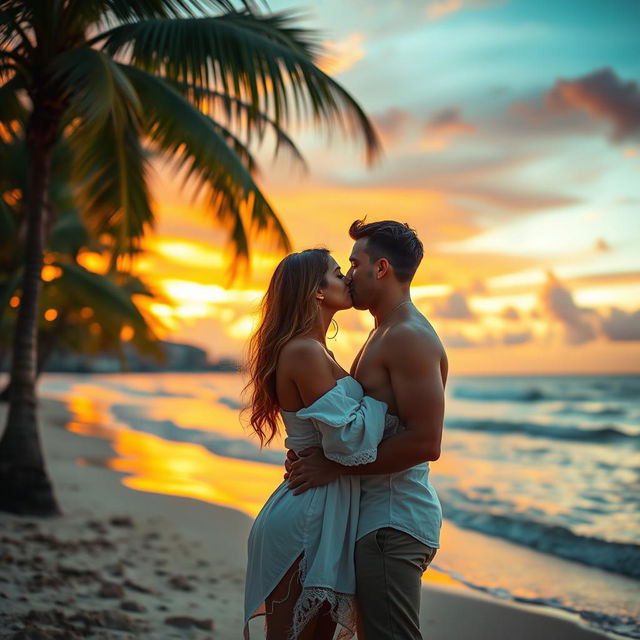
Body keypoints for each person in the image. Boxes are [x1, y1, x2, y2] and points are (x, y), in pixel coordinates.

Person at [286, 220, 447, 640]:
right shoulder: (383, 332)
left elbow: (426, 442)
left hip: (392, 522)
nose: (349, 273)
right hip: (375, 522)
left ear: (380, 269)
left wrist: (335, 468)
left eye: (354, 263)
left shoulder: (408, 336)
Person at [243, 248, 397, 640]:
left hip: (326, 508)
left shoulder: (316, 350)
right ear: (316, 292)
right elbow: (347, 441)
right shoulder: (303, 351)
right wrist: (382, 404)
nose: (347, 277)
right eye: (335, 272)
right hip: (308, 514)